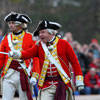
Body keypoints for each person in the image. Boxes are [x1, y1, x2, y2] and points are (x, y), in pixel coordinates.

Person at [9, 20, 84, 100]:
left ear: (50, 32)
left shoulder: (64, 44)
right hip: (46, 85)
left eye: (42, 32)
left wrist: (79, 80)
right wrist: (17, 54)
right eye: (39, 33)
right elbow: (27, 53)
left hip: (62, 83)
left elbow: (75, 63)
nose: (40, 35)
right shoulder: (39, 46)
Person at [0, 12, 40, 100]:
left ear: (20, 24)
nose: (10, 25)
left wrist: (35, 75)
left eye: (13, 23)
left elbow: (36, 58)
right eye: (9, 23)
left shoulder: (31, 37)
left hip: (24, 74)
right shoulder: (6, 38)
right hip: (8, 74)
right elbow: (1, 58)